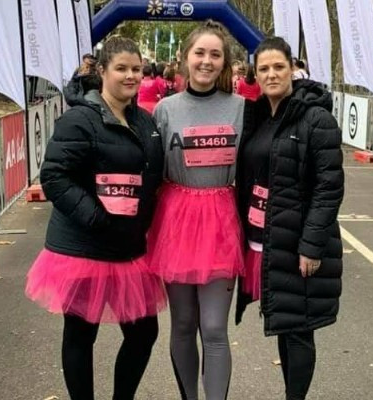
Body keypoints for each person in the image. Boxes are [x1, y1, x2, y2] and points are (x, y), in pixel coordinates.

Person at [25, 36, 166, 400]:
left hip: (128, 249)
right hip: (83, 248)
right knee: (81, 333)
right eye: (121, 68)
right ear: (102, 71)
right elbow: (54, 176)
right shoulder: (79, 119)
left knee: (143, 333)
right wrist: (95, 217)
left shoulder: (144, 121)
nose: (130, 76)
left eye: (136, 69)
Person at [235, 37, 344, 400]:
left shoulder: (316, 118)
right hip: (266, 238)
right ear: (255, 74)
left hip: (298, 242)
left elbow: (329, 187)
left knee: (298, 331)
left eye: (278, 67)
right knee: (285, 324)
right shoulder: (259, 115)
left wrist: (311, 245)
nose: (271, 74)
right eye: (263, 68)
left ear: (293, 69)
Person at [147, 20, 245, 400]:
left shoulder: (241, 109)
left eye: (215, 54)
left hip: (221, 221)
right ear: (185, 57)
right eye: (199, 52)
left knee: (215, 327)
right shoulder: (165, 109)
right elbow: (150, 169)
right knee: (184, 324)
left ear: (224, 62)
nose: (206, 61)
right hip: (176, 221)